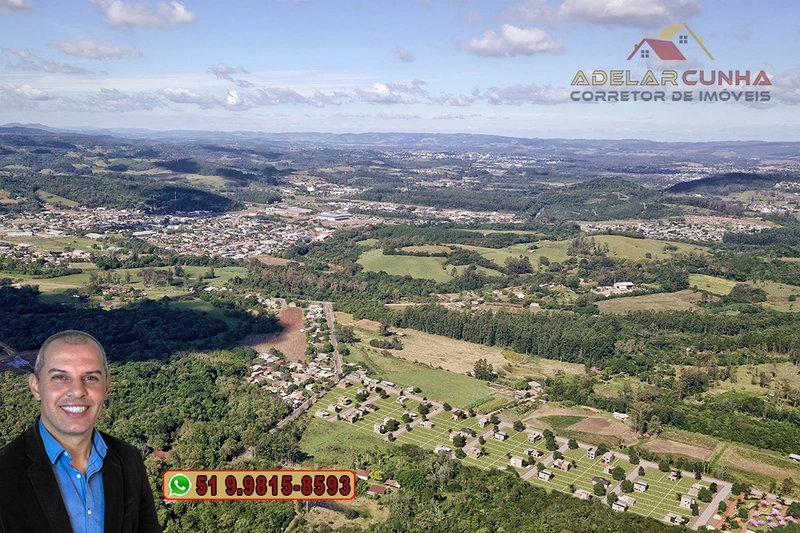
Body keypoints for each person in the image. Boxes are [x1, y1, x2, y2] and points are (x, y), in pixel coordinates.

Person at [0, 330, 162, 533]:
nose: (77, 391)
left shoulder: (129, 459)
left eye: (90, 377)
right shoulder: (4, 472)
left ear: (106, 387)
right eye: (60, 377)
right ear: (36, 387)